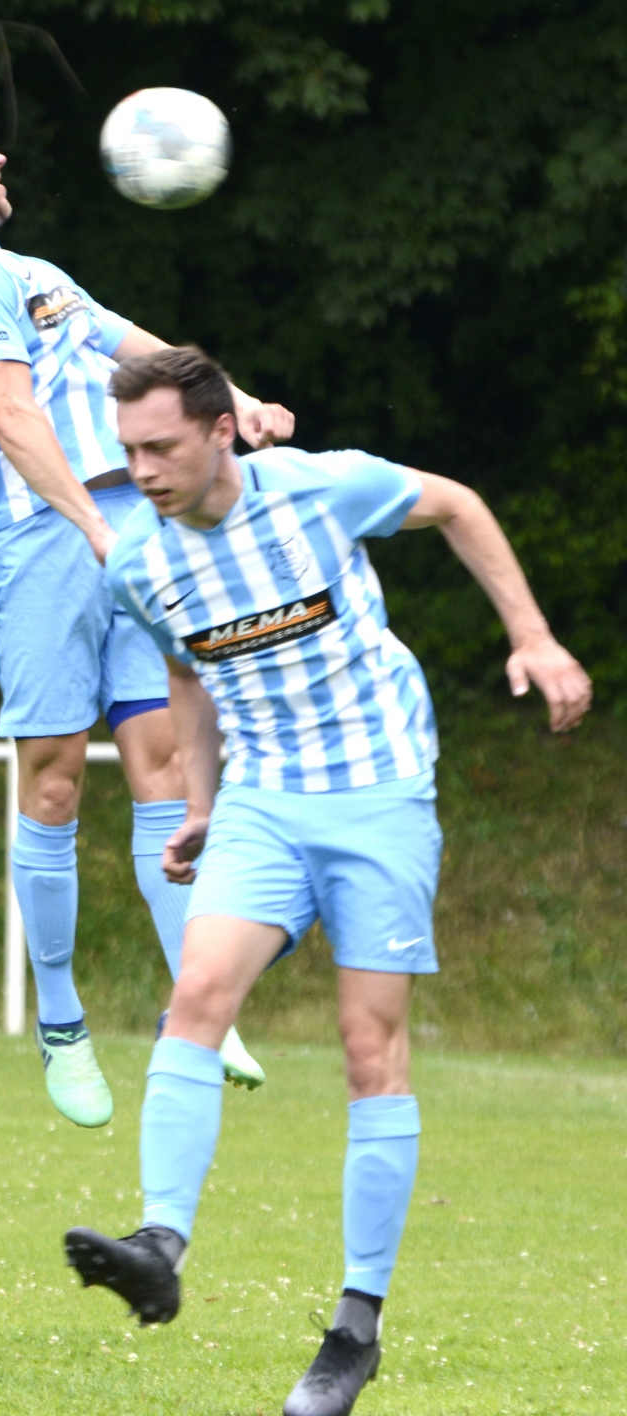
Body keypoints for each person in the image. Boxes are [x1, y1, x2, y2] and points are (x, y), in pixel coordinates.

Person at [65, 348, 591, 1416]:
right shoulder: (139, 564)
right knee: (196, 994)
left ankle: (355, 1329)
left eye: (161, 447)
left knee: (368, 1048)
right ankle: (159, 1245)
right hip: (263, 800)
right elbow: (187, 675)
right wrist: (202, 804)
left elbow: (458, 504)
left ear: (221, 430)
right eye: (128, 452)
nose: (143, 471)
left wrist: (532, 637)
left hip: (379, 791)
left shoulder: (320, 488)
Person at [0, 89, 294, 1126]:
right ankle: (60, 1020)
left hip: (131, 530)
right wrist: (96, 528)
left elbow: (143, 354)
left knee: (168, 764)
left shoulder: (34, 272)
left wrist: (233, 399)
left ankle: (197, 1002)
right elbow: (13, 416)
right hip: (44, 541)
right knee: (54, 783)